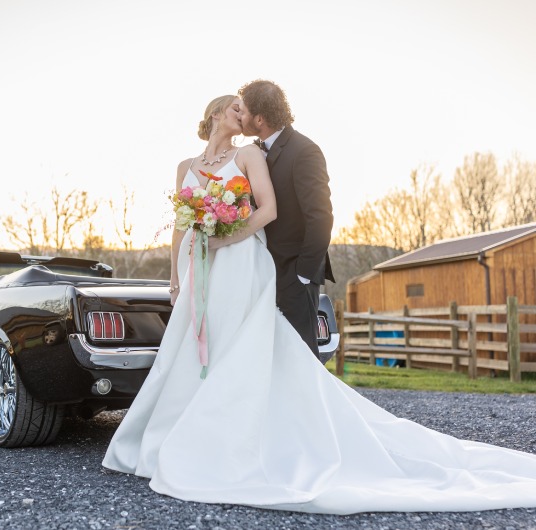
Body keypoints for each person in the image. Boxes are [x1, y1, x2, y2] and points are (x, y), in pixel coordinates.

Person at [102, 92, 536, 515]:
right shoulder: (186, 166)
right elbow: (182, 223)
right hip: (198, 265)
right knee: (198, 342)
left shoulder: (250, 156)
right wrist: (176, 276)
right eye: (234, 108)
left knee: (237, 342)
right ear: (216, 113)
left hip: (237, 261)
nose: (242, 114)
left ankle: (234, 438)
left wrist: (228, 238)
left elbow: (268, 210)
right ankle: (178, 433)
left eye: (245, 108)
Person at [238, 79, 335, 357]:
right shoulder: (252, 153)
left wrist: (303, 275)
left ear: (259, 118)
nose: (239, 116)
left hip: (294, 274)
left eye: (243, 111)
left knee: (299, 355)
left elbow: (321, 217)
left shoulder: (304, 151)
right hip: (263, 271)